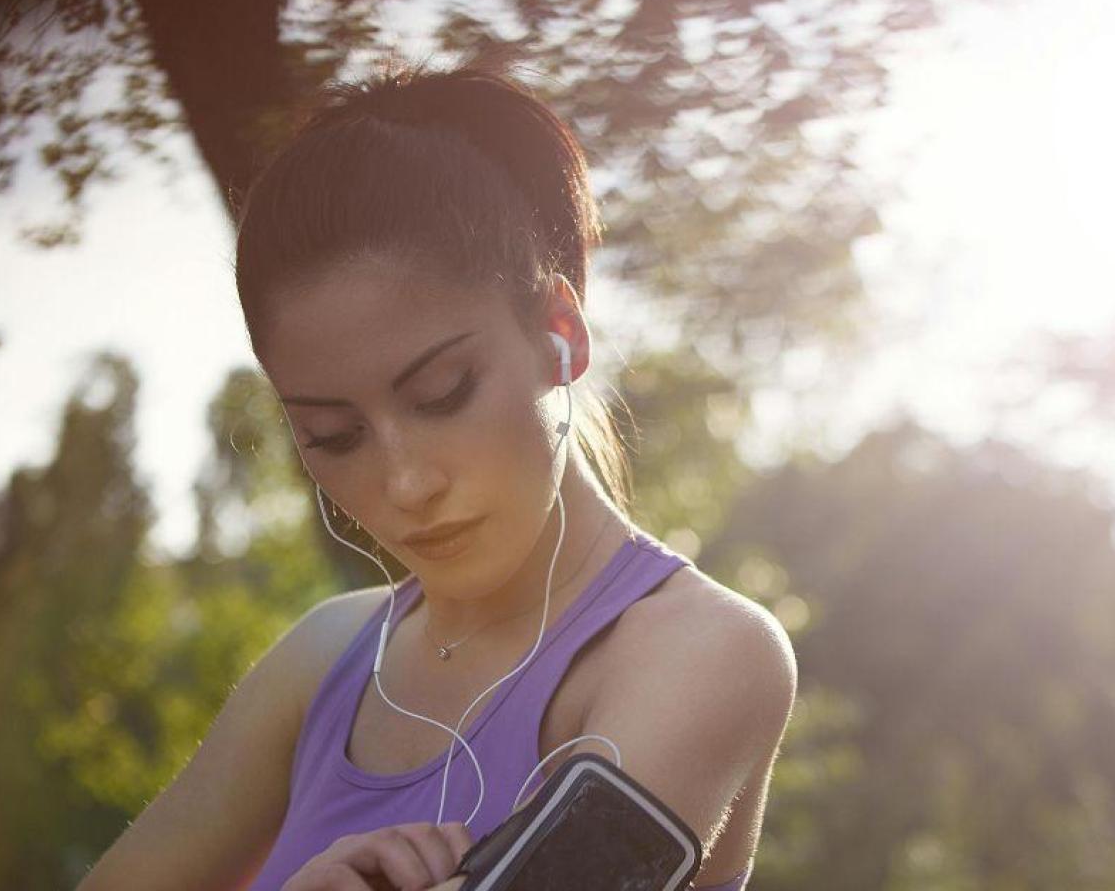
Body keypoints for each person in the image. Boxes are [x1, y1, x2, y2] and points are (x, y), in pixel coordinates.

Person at [76, 56, 797, 891]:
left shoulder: (703, 652)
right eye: (333, 435)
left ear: (560, 330)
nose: (405, 483)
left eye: (442, 394)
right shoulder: (325, 658)